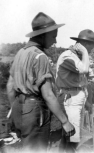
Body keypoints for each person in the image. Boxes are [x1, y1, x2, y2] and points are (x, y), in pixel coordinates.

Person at [6, 12, 75, 151]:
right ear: (43, 35)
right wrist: (65, 121)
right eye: (53, 36)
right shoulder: (40, 56)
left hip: (19, 106)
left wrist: (15, 108)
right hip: (36, 110)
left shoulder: (21, 53)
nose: (55, 41)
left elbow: (10, 86)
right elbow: (48, 95)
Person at [55, 29, 94, 152]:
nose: (92, 49)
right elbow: (85, 70)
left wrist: (87, 101)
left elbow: (85, 79)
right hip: (70, 98)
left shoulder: (77, 57)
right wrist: (85, 52)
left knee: (70, 136)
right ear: (84, 45)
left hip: (76, 97)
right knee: (72, 138)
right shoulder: (68, 56)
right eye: (91, 46)